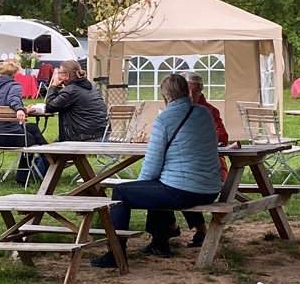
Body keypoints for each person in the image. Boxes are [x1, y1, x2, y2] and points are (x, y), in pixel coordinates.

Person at [91, 73, 222, 267]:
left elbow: (152, 165)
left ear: (165, 97)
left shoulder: (164, 119)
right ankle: (160, 243)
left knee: (122, 192)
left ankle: (116, 253)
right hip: (211, 189)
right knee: (156, 186)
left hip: (183, 190)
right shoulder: (204, 113)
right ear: (188, 92)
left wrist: (140, 188)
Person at [0, 58, 43, 184]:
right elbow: (13, 99)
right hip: (7, 135)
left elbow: (3, 104)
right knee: (32, 139)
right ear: (14, 74)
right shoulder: (14, 86)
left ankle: (49, 160)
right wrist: (19, 109)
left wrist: (22, 109)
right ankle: (27, 174)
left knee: (32, 128)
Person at [36, 60, 107, 142]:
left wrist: (53, 86)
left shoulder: (70, 91)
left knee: (53, 150)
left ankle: (40, 155)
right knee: (53, 147)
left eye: (59, 72)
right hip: (102, 132)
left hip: (85, 136)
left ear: (66, 75)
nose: (57, 75)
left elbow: (50, 107)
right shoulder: (90, 86)